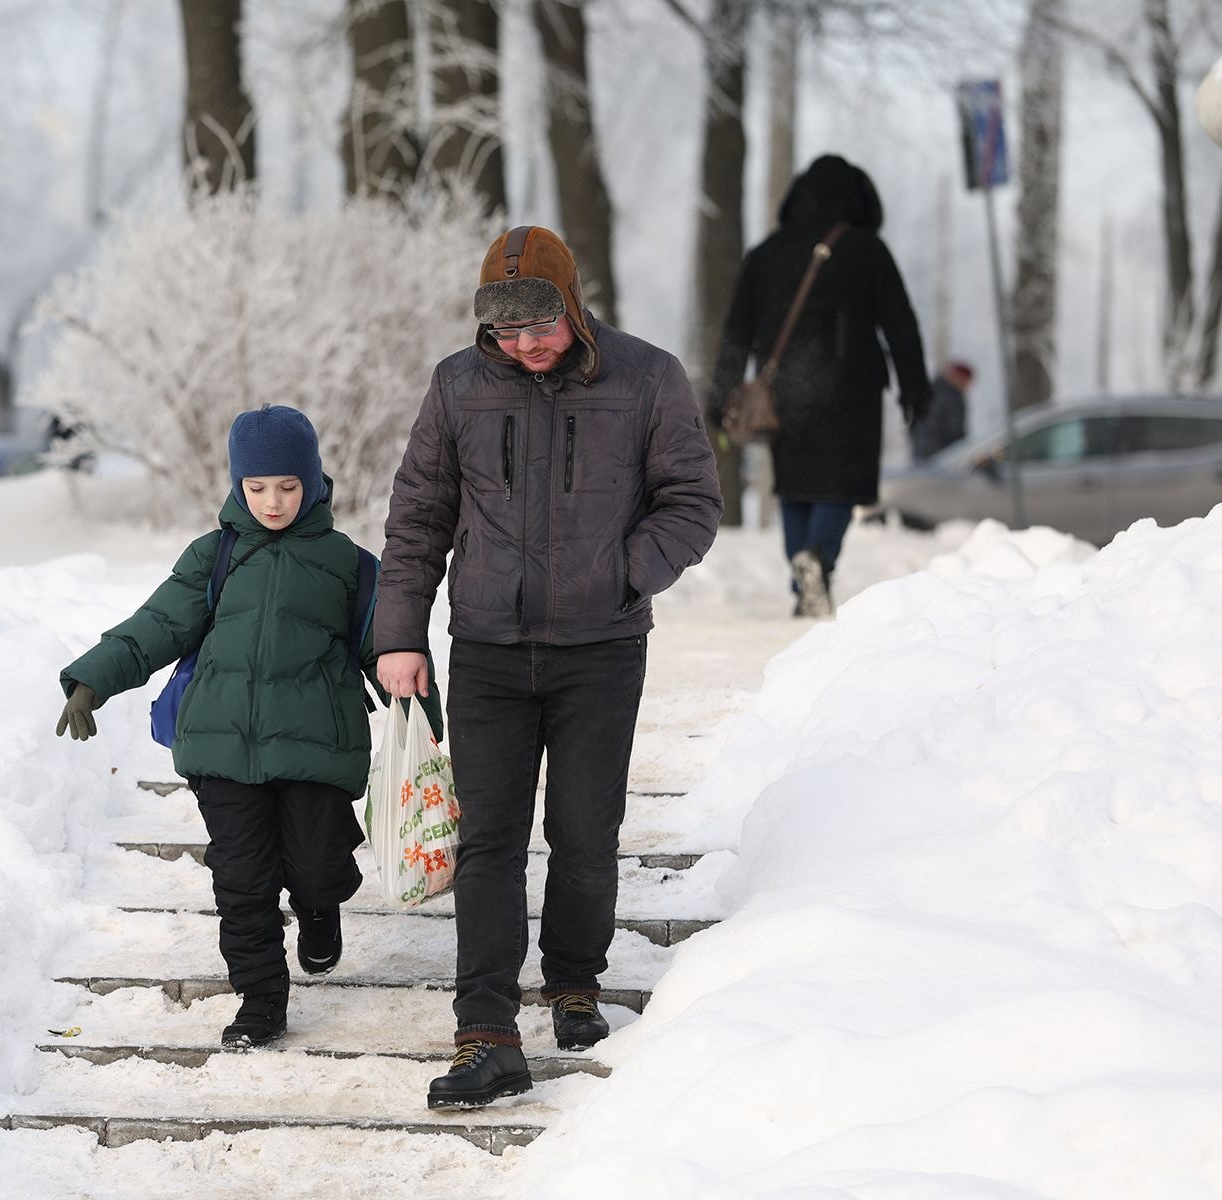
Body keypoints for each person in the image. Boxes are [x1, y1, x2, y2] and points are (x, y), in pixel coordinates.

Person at [375, 225, 722, 1109]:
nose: (524, 346)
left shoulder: (646, 378)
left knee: (583, 831)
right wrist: (399, 633)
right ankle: (485, 1032)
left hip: (601, 651)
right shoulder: (459, 384)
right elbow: (419, 512)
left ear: (573, 308)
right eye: (505, 331)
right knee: (487, 841)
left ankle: (573, 980)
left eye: (540, 326)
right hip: (487, 646)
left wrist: (621, 576)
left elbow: (692, 503)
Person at [55, 405, 438, 1050]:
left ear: (313, 482)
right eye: (256, 488)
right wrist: (91, 679)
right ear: (237, 487)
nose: (272, 502)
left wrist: (425, 722)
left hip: (318, 745)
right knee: (242, 879)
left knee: (318, 864)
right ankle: (261, 998)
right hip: (221, 745)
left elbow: (389, 648)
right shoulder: (214, 556)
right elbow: (156, 626)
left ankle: (321, 907)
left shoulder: (348, 564)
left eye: (287, 486)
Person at [708, 154, 931, 618]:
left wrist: (722, 390)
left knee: (796, 485)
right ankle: (818, 560)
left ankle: (802, 578)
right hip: (852, 389)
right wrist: (915, 386)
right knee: (840, 485)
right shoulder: (867, 249)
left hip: (785, 391)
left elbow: (736, 330)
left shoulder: (766, 253)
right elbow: (900, 324)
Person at [910, 360, 973, 462]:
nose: (967, 386)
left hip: (922, 454)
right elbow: (954, 430)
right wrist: (964, 452)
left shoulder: (929, 391)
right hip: (944, 456)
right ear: (957, 377)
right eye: (966, 381)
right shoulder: (952, 398)